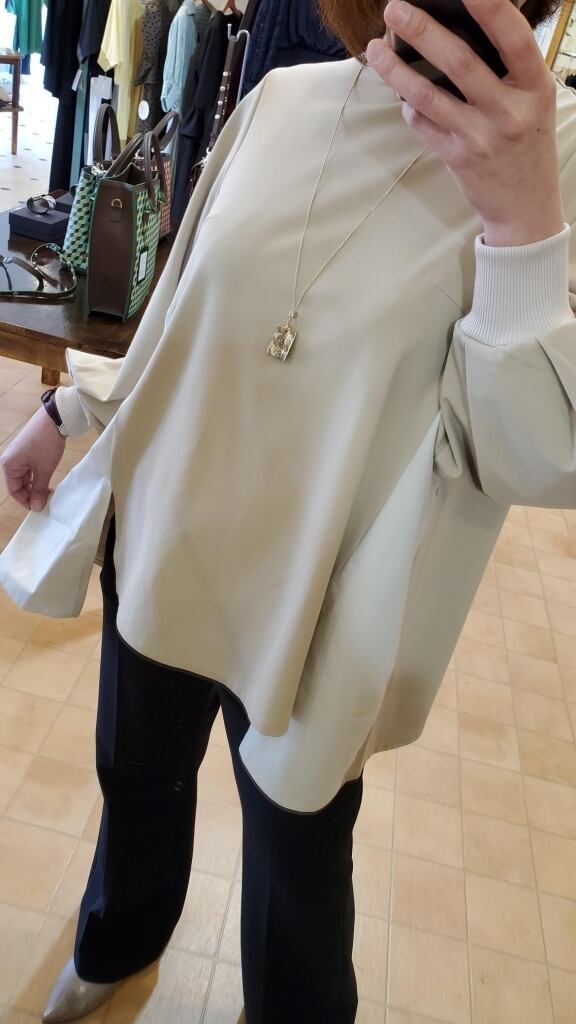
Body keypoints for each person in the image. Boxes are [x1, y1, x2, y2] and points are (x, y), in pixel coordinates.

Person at [1, 0, 576, 1021]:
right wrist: (70, 405)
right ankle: (119, 937)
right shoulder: (283, 99)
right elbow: (182, 308)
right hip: (170, 530)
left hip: (322, 598)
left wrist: (522, 224)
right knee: (136, 775)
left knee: (297, 873)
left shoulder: (554, 158)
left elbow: (535, 459)